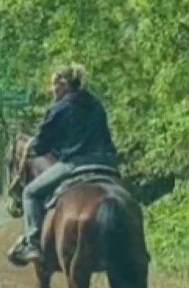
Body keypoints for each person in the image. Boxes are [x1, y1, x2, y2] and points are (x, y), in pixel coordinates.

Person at [7, 64, 119, 266]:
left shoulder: (60, 108)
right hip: (107, 162)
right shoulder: (95, 103)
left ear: (63, 84)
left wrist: (36, 145)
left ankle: (32, 243)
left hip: (75, 164)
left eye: (54, 86)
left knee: (31, 193)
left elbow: (41, 146)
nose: (52, 91)